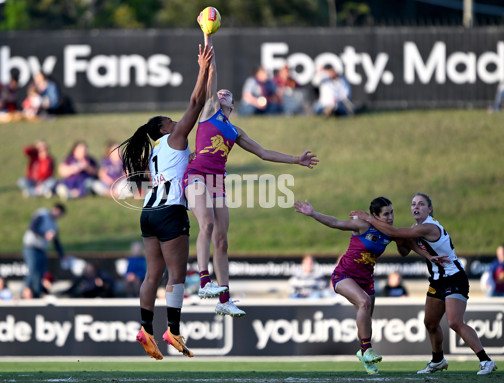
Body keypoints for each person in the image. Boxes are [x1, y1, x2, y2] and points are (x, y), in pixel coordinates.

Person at [183, 35, 319, 318]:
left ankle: (224, 298)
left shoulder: (235, 131)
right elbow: (213, 77)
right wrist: (209, 44)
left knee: (222, 241)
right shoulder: (209, 112)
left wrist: (296, 159)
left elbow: (264, 152)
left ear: (232, 105)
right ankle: (204, 281)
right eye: (219, 93)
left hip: (217, 181)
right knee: (206, 224)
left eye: (227, 95)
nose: (222, 94)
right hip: (196, 175)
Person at [117, 38, 213, 360]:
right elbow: (196, 105)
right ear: (163, 128)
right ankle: (172, 329)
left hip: (148, 214)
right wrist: (202, 70)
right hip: (171, 212)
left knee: (151, 275)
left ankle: (145, 328)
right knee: (175, 276)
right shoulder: (173, 138)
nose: (176, 121)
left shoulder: (154, 152)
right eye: (170, 120)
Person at [351, 193, 497, 375]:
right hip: (437, 280)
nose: (416, 207)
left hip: (454, 277)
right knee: (430, 323)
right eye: (413, 204)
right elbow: (404, 250)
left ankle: (486, 361)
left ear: (430, 209)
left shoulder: (429, 226)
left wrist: (369, 219)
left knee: (454, 322)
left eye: (421, 204)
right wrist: (400, 240)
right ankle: (438, 360)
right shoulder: (416, 227)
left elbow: (396, 233)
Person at [294, 197, 394, 375]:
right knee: (364, 302)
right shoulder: (363, 226)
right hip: (344, 275)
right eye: (386, 214)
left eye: (392, 212)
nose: (390, 217)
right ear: (374, 216)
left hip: (366, 280)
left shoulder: (390, 233)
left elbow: (407, 244)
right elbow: (335, 222)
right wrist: (313, 213)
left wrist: (429, 256)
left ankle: (363, 353)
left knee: (365, 320)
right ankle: (367, 350)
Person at [22, 203, 66, 298]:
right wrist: (44, 235)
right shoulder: (42, 214)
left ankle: (36, 295)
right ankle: (24, 294)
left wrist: (62, 255)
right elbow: (33, 227)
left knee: (41, 274)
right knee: (32, 270)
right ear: (57, 210)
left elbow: (56, 241)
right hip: (31, 247)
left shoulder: (54, 225)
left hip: (42, 250)